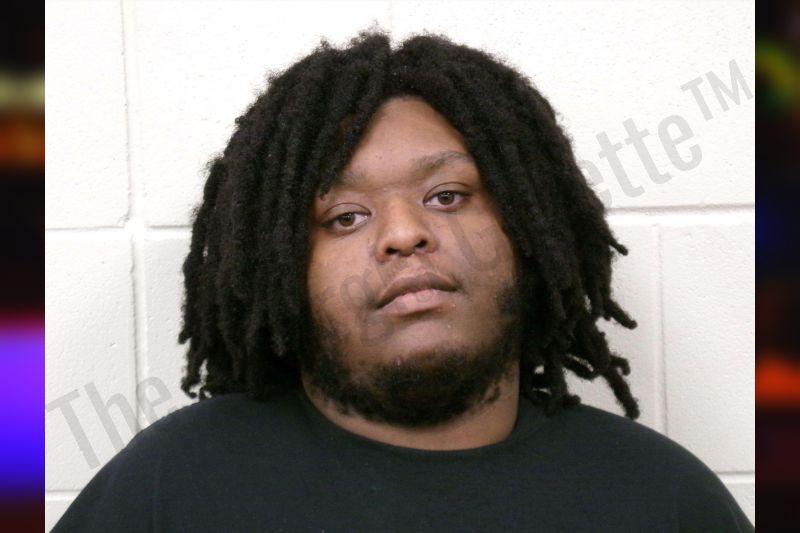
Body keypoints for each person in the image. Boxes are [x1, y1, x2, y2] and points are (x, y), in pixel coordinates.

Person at [53, 30, 753, 532]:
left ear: (531, 231)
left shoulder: (661, 498)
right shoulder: (173, 486)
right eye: (346, 216)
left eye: (447, 195)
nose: (403, 233)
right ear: (280, 269)